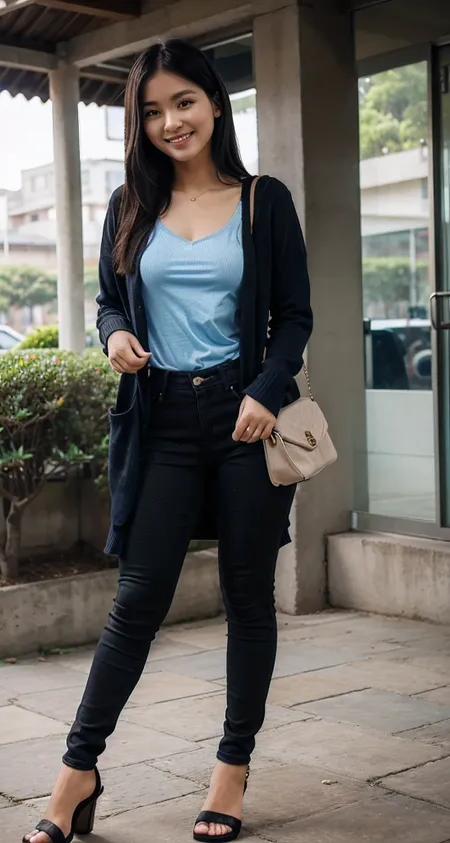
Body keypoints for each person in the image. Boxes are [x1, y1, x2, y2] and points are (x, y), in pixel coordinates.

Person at [22, 37, 313, 843]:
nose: (169, 122)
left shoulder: (263, 201)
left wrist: (263, 390)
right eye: (151, 111)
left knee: (247, 597)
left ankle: (231, 770)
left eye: (182, 102)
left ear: (215, 103)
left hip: (244, 418)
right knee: (136, 602)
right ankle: (76, 774)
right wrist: (113, 334)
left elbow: (293, 317)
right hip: (162, 422)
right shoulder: (131, 205)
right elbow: (112, 301)